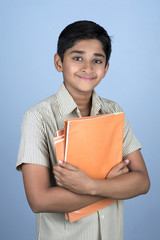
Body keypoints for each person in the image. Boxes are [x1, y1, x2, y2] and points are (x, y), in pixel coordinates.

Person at [16, 20, 150, 240]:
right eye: (77, 58)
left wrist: (90, 185)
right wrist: (112, 186)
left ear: (106, 68)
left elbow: (142, 182)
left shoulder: (114, 111)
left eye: (97, 60)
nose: (88, 68)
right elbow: (39, 200)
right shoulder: (38, 117)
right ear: (59, 62)